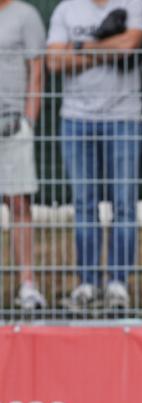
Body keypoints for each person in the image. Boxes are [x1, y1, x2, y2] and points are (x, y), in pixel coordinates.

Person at [46, 0, 142, 309]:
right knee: (84, 204)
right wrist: (106, 48)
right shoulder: (66, 9)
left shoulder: (132, 3)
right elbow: (53, 62)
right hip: (76, 119)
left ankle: (118, 283)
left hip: (124, 118)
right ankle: (87, 283)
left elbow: (131, 43)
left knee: (124, 204)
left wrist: (78, 48)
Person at [0, 0, 46, 310]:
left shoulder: (25, 15)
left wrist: (29, 120)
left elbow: (37, 70)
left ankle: (27, 283)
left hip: (13, 124)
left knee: (19, 203)